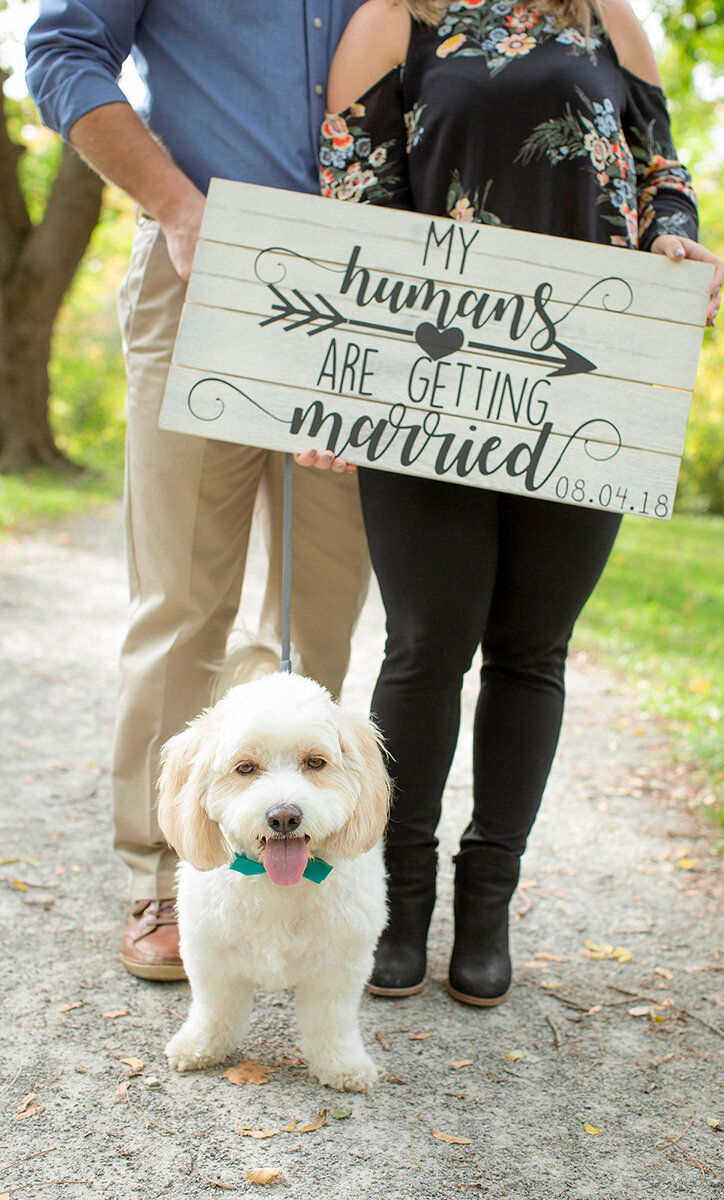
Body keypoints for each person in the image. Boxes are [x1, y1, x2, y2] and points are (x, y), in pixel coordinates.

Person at [305, 0, 724, 1006]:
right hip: (428, 381)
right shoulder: (389, 22)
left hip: (591, 381)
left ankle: (485, 905)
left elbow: (662, 174)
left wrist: (675, 239)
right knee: (423, 646)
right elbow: (355, 200)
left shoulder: (610, 20)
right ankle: (397, 906)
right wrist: (337, 382)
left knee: (532, 653)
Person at [25, 1, 371, 981]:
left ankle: (279, 863)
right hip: (198, 270)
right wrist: (178, 205)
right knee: (181, 600)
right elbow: (59, 48)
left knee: (323, 604)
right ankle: (161, 875)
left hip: (362, 303)